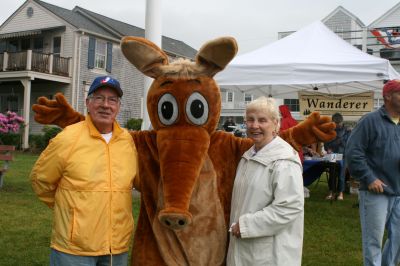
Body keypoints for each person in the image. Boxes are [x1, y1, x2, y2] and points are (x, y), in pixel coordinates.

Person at [30, 76, 138, 266]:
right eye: (99, 98)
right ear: (88, 103)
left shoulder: (128, 142)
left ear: (118, 107)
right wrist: (70, 211)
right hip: (73, 250)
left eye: (112, 100)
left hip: (116, 249)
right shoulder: (67, 138)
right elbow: (41, 181)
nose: (106, 105)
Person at [227, 97, 304, 266]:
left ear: (276, 124)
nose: (255, 126)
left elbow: (289, 208)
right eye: (250, 120)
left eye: (262, 120)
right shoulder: (248, 156)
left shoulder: (283, 161)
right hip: (245, 250)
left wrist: (246, 225)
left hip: (269, 255)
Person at [346, 80, 400, 266]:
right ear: (388, 96)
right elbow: (353, 153)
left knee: (398, 239)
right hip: (376, 191)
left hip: (399, 190)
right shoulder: (370, 121)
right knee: (373, 241)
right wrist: (369, 178)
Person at [324, 112, 351, 200]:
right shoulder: (329, 130)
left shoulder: (348, 131)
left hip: (344, 155)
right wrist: (328, 149)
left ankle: (340, 193)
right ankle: (331, 192)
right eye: (335, 123)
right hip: (333, 155)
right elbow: (326, 143)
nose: (337, 125)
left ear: (342, 122)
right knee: (332, 174)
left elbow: (349, 144)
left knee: (341, 175)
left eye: (338, 123)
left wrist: (340, 143)